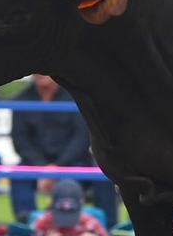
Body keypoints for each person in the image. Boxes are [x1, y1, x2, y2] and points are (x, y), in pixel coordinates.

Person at [10, 74, 117, 226]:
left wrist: (56, 168)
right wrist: (44, 168)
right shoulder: (21, 99)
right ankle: (29, 229)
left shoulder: (76, 97)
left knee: (103, 175)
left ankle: (108, 231)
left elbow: (82, 138)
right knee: (18, 175)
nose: (41, 73)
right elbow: (20, 140)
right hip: (35, 166)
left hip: (74, 163)